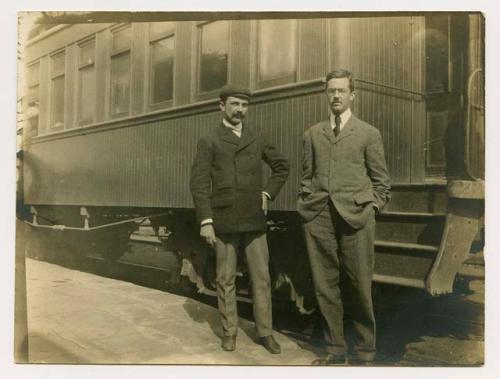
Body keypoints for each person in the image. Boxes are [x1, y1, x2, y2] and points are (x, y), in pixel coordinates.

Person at [297, 69, 391, 365]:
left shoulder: (368, 133)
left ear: (352, 95)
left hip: (356, 218)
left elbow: (381, 182)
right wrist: (307, 204)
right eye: (331, 91)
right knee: (325, 285)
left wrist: (372, 207)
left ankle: (365, 353)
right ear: (326, 94)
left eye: (341, 90)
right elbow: (306, 176)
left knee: (359, 284)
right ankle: (335, 350)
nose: (336, 95)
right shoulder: (313, 134)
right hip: (319, 217)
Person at [190, 84, 290, 353]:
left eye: (244, 105)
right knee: (225, 279)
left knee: (261, 278)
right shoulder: (210, 140)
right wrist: (206, 221)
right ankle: (229, 332)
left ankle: (266, 333)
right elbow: (199, 184)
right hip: (223, 219)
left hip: (253, 219)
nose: (240, 110)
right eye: (235, 104)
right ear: (221, 106)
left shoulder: (257, 136)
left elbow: (282, 167)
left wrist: (268, 193)